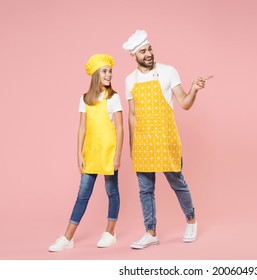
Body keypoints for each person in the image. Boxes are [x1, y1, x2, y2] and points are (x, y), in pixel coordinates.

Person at [122, 30, 213, 249]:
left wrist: (194, 89)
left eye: (150, 49)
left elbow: (184, 103)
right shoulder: (129, 80)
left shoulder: (168, 71)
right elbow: (132, 115)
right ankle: (150, 231)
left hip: (165, 138)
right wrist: (133, 145)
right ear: (133, 56)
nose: (149, 54)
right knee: (145, 190)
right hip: (143, 141)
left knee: (177, 183)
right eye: (143, 51)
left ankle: (191, 220)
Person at [48, 54, 124, 252]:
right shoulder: (85, 99)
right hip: (91, 151)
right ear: (96, 74)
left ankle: (110, 232)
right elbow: (82, 128)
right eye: (105, 71)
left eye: (110, 71)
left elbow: (120, 128)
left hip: (108, 151)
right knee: (83, 194)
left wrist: (117, 155)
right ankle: (68, 237)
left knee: (112, 191)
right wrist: (78, 153)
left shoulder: (114, 98)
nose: (109, 75)